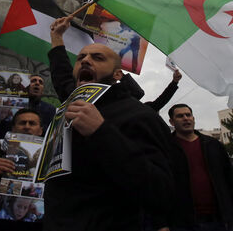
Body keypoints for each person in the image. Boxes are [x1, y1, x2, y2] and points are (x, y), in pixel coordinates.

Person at [45, 15, 175, 231]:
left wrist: (101, 133)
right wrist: (57, 37)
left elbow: (161, 192)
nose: (86, 60)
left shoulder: (140, 115)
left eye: (97, 58)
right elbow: (60, 74)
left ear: (117, 74)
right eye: (81, 58)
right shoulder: (74, 101)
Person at [168, 103, 233, 231]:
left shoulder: (213, 145)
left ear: (193, 118)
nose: (186, 118)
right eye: (180, 116)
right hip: (183, 222)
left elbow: (230, 182)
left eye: (188, 115)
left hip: (217, 220)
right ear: (172, 122)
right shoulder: (167, 148)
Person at [0, 108, 44, 230]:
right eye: (22, 123)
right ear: (13, 128)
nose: (27, 127)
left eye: (32, 123)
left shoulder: (49, 153)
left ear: (40, 130)